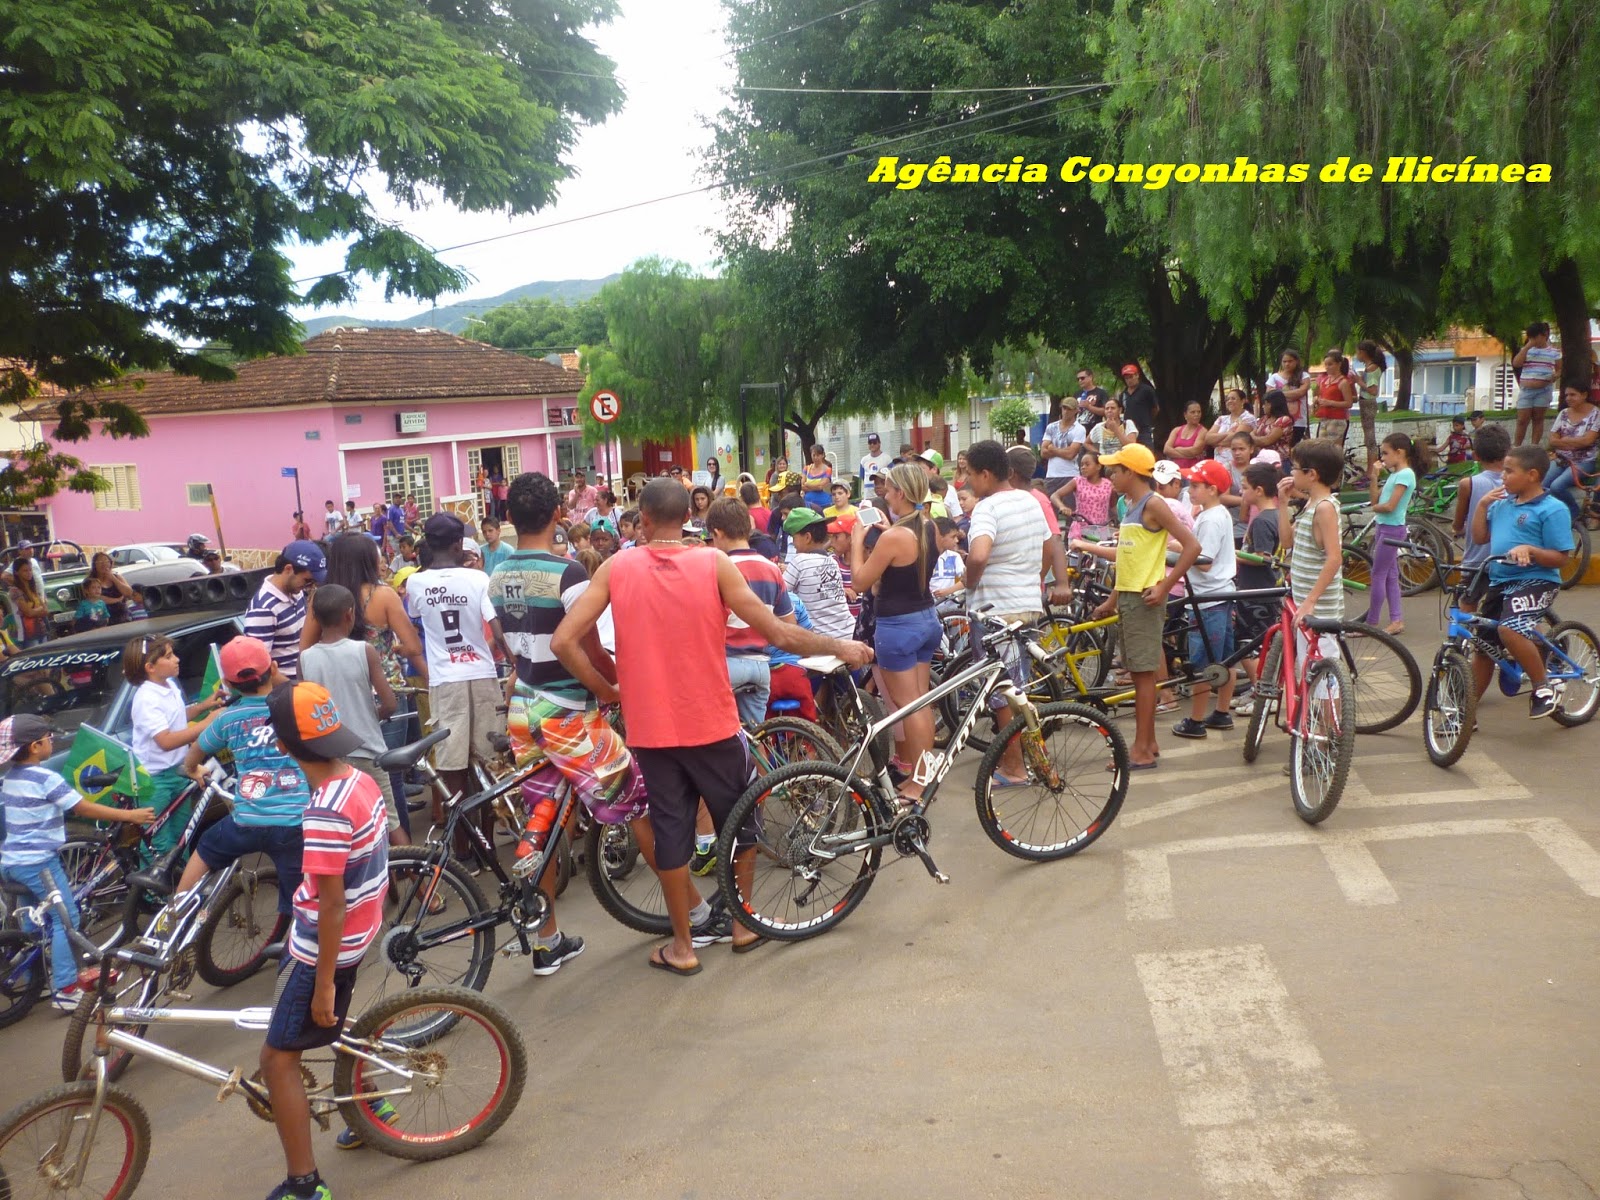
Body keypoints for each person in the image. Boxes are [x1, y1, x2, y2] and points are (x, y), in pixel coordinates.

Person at [551, 479, 872, 974]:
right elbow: (778, 631)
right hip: (712, 721)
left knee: (671, 830)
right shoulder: (713, 563)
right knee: (739, 818)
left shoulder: (617, 567)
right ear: (689, 519)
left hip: (651, 730)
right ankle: (743, 924)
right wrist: (842, 647)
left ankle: (683, 946)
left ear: (645, 518)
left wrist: (610, 690)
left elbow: (565, 641)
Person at [491, 472, 668, 971]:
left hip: (523, 709)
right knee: (637, 804)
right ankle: (693, 912)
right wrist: (614, 689)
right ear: (557, 516)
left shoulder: (498, 574)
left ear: (509, 519)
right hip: (567, 712)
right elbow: (586, 645)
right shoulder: (568, 575)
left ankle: (546, 940)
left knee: (542, 820)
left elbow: (511, 645)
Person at [260, 681, 389, 1200]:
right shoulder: (360, 781)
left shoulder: (324, 813)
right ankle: (371, 1104)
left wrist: (322, 986)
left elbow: (331, 904)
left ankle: (304, 1184)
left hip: (322, 949)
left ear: (284, 747)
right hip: (359, 933)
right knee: (332, 1027)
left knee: (277, 1061)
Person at [0, 714, 154, 1010]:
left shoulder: (11, 779)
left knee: (32, 917)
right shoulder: (46, 778)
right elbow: (82, 808)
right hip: (38, 863)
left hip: (11, 861)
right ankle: (66, 989)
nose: (52, 743)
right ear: (35, 746)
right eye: (49, 739)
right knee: (65, 918)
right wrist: (130, 816)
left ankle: (37, 977)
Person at [1088, 444, 1201, 770]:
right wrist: (1112, 599)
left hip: (1144, 599)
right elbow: (1129, 559)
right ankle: (1147, 744)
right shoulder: (1133, 507)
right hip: (1130, 597)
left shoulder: (1153, 504)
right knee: (1141, 674)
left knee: (1142, 677)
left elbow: (1192, 546)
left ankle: (1140, 750)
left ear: (1130, 472)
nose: (1110, 476)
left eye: (1115, 470)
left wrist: (1165, 585)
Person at [175, 637, 308, 906]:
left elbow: (194, 754)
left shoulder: (228, 718)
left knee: (205, 848)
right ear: (273, 668)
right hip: (293, 823)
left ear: (227, 684)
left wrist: (192, 769)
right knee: (300, 902)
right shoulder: (294, 707)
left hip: (246, 819)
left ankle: (177, 905)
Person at [964, 440, 1069, 782]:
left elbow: (979, 555)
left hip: (995, 612)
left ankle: (1014, 767)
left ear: (984, 473)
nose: (966, 482)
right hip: (1026, 607)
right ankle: (1036, 762)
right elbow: (1047, 547)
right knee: (1019, 688)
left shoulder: (986, 508)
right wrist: (1031, 581)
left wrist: (969, 582)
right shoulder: (1030, 500)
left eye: (968, 474)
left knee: (1002, 695)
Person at [406, 514, 509, 821]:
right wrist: (516, 664)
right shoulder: (478, 578)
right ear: (457, 545)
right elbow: (498, 632)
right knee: (489, 761)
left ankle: (463, 849)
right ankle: (487, 840)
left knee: (452, 764)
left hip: (445, 680)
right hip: (481, 673)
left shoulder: (414, 581)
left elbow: (415, 615)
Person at [849, 463, 941, 801]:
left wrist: (858, 541)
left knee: (907, 705)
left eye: (888, 490)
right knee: (921, 700)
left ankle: (917, 783)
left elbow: (860, 582)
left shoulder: (894, 537)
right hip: (926, 618)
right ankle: (923, 773)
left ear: (900, 493)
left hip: (898, 627)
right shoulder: (926, 527)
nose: (884, 495)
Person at [1468, 444, 1574, 717]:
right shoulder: (1501, 505)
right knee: (1484, 647)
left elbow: (1562, 557)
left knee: (1509, 629)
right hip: (1500, 581)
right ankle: (1465, 714)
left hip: (1536, 580)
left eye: (1509, 471)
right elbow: (1480, 537)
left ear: (1532, 475)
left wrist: (1533, 550)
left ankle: (1542, 688)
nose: (1502, 476)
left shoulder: (1552, 509)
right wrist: (1481, 505)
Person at [300, 586, 403, 845]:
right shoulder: (364, 651)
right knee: (390, 823)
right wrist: (370, 715)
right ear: (350, 614)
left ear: (315, 617)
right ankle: (421, 884)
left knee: (346, 830)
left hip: (327, 760)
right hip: (367, 751)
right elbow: (390, 703)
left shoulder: (305, 659)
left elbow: (303, 710)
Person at [126, 634, 227, 860]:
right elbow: (166, 740)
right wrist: (206, 723)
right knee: (158, 843)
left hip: (178, 772)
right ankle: (153, 894)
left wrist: (203, 707)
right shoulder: (145, 699)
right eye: (169, 656)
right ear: (150, 667)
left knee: (182, 837)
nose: (177, 660)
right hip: (155, 780)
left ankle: (178, 888)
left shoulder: (168, 684)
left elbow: (176, 717)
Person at [708, 497, 792, 728]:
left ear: (718, 533)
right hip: (760, 666)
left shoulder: (717, 568)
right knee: (757, 736)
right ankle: (768, 766)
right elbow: (789, 622)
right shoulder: (772, 568)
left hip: (726, 664)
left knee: (716, 734)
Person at [1170, 460, 1239, 737]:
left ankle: (1196, 721)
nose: (1190, 490)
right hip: (1220, 594)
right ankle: (1221, 713)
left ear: (1212, 489)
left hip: (1207, 599)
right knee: (1226, 659)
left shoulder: (1210, 518)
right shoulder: (1216, 513)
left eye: (1196, 486)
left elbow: (1204, 561)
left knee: (1203, 665)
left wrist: (1177, 549)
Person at [1277, 439, 1346, 679]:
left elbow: (1335, 558)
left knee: (1324, 680)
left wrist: (1310, 601)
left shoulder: (1325, 507)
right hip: (1305, 603)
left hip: (1319, 608)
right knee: (1310, 673)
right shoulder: (1311, 504)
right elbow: (1287, 542)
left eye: (1294, 468)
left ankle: (1331, 718)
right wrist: (1282, 503)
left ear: (1312, 474)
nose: (1291, 473)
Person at [1231, 463, 1285, 713]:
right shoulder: (1275, 516)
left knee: (1250, 645)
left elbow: (1263, 557)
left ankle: (1264, 696)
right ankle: (1258, 691)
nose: (1241, 493)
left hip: (1257, 591)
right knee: (1254, 643)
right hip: (1263, 589)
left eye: (1244, 488)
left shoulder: (1263, 520)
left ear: (1259, 490)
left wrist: (1230, 555)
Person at [245, 541, 326, 682]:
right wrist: (296, 689)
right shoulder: (263, 608)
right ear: (288, 569)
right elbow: (259, 668)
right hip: (289, 691)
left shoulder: (296, 592)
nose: (309, 586)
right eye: (307, 580)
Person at [1453, 421, 1511, 606]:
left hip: (1476, 561)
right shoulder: (1517, 482)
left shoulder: (1468, 484)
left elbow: (1458, 523)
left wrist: (1458, 528)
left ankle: (1466, 636)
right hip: (1508, 559)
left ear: (1475, 455)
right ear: (1508, 452)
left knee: (1466, 603)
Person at [1366, 432, 1416, 634]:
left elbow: (1389, 506)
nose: (1383, 458)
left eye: (1385, 454)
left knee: (1378, 575)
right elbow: (1376, 500)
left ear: (1399, 452)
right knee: (1390, 575)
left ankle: (1371, 623)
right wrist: (1373, 478)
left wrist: (1375, 508)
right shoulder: (1395, 475)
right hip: (1384, 526)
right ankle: (1396, 620)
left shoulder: (1405, 475)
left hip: (1391, 529)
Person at [783, 508, 853, 638]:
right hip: (848, 632)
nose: (793, 542)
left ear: (807, 537)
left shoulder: (799, 562)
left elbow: (780, 594)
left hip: (822, 641)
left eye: (794, 537)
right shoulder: (831, 562)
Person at [1543, 382, 1600, 518]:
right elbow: (1552, 440)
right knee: (1542, 485)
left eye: (1572, 395)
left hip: (1584, 462)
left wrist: (1565, 440)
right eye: (1566, 395)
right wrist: (1576, 442)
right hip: (1561, 459)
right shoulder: (1563, 413)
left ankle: (1574, 512)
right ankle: (1555, 512)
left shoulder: (1596, 414)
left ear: (1584, 395)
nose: (1568, 398)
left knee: (1557, 486)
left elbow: (1588, 441)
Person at [1511, 321, 1561, 447]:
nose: (1533, 340)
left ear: (1543, 335)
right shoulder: (1527, 350)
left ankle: (1534, 446)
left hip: (1544, 389)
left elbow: (1560, 368)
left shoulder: (1554, 352)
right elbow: (1516, 363)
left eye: (1535, 337)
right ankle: (1516, 447)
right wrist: (1527, 347)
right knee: (1522, 420)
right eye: (1530, 337)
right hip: (1527, 390)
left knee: (1538, 419)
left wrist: (1556, 375)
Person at [1054, 448, 1116, 542]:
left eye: (1087, 464)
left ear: (1098, 466)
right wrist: (1062, 507)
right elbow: (1055, 495)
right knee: (1078, 556)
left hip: (1101, 531)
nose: (1083, 467)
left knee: (1101, 555)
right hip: (1079, 530)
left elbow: (1113, 507)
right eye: (1081, 465)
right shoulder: (1077, 481)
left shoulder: (1108, 485)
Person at [1040, 396, 1086, 496]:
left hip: (1070, 475)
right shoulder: (1051, 427)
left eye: (1069, 409)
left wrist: (1053, 449)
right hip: (1052, 475)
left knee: (1070, 508)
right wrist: (1063, 451)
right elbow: (1043, 452)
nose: (1066, 411)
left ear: (1076, 410)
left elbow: (1071, 454)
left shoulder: (1079, 429)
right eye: (1064, 408)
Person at [1266, 349, 1312, 444]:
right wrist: (1293, 394)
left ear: (1296, 361)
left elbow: (1301, 392)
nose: (1287, 364)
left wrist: (1278, 394)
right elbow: (1270, 396)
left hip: (1298, 421)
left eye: (1290, 361)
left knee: (1293, 445)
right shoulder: (1274, 377)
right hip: (1278, 421)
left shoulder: (1303, 376)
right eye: (1284, 361)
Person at [1353, 341, 1387, 469]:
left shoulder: (1372, 368)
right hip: (1365, 403)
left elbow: (1372, 390)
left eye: (1358, 352)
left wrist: (1359, 381)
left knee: (1370, 438)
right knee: (1368, 437)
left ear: (1363, 353)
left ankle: (1371, 470)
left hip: (1368, 403)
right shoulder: (1370, 367)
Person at [1315, 349, 1356, 443]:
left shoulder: (1343, 382)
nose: (1327, 367)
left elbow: (1348, 403)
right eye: (1326, 365)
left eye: (1330, 364)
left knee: (1333, 447)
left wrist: (1330, 402)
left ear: (1339, 364)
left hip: (1337, 418)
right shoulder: (1324, 381)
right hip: (1324, 417)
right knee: (1321, 446)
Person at [86, 552, 136, 625]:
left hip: (122, 616)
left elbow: (129, 593)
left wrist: (113, 578)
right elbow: (96, 598)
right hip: (101, 618)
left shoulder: (117, 577)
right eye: (100, 561)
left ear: (110, 563)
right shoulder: (90, 580)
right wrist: (117, 600)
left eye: (106, 561)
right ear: (94, 565)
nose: (103, 564)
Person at [1117, 364, 1158, 448]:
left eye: (1131, 377)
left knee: (1146, 452)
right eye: (1126, 378)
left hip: (1144, 429)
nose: (1129, 380)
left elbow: (1155, 408)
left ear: (1137, 375)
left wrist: (1147, 419)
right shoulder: (1123, 394)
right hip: (1128, 430)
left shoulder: (1146, 390)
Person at [1206, 389, 1256, 458]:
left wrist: (1215, 441)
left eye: (1233, 399)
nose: (1230, 401)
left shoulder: (1248, 418)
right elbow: (1208, 439)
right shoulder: (1221, 419)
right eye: (1228, 399)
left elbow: (1235, 439)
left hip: (1237, 461)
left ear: (1243, 401)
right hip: (1219, 462)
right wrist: (1227, 433)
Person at [10, 558, 49, 646]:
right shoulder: (15, 591)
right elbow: (29, 613)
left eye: (30, 570)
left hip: (41, 629)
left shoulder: (33, 588)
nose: (29, 573)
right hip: (27, 633)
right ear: (16, 572)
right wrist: (40, 609)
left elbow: (46, 610)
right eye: (25, 570)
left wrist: (37, 610)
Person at [1251, 390, 1296, 454]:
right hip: (1262, 457)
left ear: (1272, 404)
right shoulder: (1264, 419)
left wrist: (1252, 439)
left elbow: (1267, 441)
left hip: (1279, 459)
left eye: (1265, 404)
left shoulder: (1284, 420)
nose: (1263, 406)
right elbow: (1251, 433)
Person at [858, 433, 892, 498]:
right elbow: (861, 479)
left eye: (874, 442)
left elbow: (892, 478)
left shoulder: (887, 459)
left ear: (879, 443)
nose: (872, 445)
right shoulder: (864, 460)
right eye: (870, 443)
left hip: (882, 495)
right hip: (868, 496)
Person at [801, 445, 834, 509]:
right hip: (808, 503)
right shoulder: (806, 468)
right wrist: (816, 486)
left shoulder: (828, 470)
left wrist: (807, 484)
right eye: (814, 455)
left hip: (824, 503)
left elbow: (821, 487)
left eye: (818, 455)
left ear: (822, 455)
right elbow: (802, 486)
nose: (816, 457)